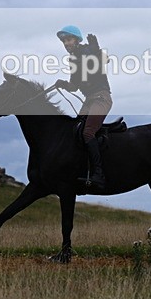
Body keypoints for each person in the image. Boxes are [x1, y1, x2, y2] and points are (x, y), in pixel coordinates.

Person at [54, 25, 112, 190]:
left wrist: (96, 50)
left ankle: (99, 175)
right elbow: (74, 86)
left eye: (68, 39)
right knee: (75, 131)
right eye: (64, 41)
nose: (66, 43)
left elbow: (103, 61)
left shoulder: (86, 50)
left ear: (77, 40)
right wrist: (63, 84)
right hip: (89, 100)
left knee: (87, 132)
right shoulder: (73, 60)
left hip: (101, 98)